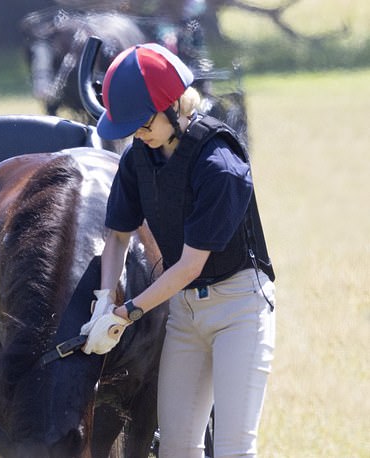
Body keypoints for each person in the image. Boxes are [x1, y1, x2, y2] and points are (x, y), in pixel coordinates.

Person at [79, 43, 276, 458]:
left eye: (143, 122)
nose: (137, 133)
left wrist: (126, 313)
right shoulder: (139, 158)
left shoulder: (220, 166)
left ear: (173, 105)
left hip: (238, 311)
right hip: (184, 313)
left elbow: (188, 266)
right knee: (176, 448)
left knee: (232, 447)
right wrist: (102, 300)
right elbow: (117, 234)